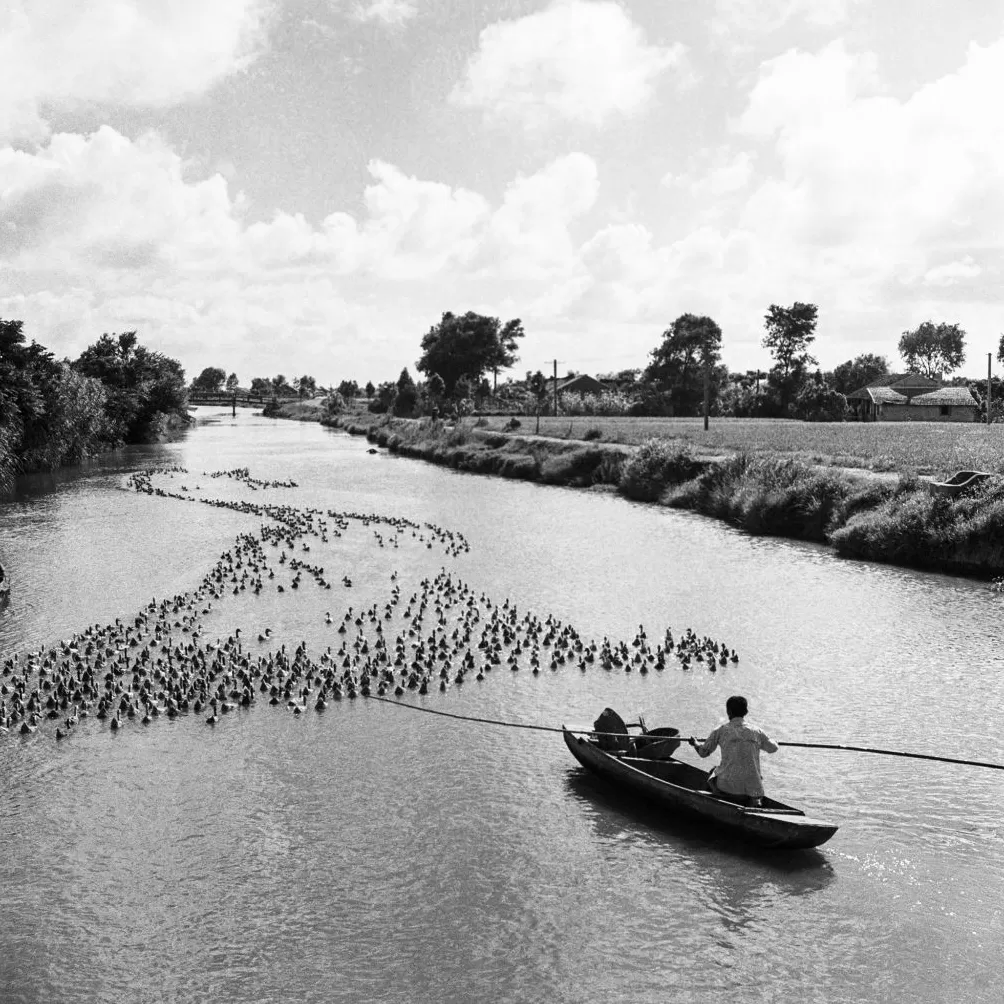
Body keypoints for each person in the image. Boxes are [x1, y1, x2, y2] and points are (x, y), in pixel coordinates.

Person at [689, 695, 778, 807]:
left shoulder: (720, 730)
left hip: (727, 787)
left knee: (713, 772)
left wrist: (695, 743)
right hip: (753, 789)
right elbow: (773, 748)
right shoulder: (757, 732)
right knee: (753, 777)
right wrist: (772, 740)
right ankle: (755, 800)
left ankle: (716, 799)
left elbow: (703, 753)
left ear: (728, 712)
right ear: (746, 711)